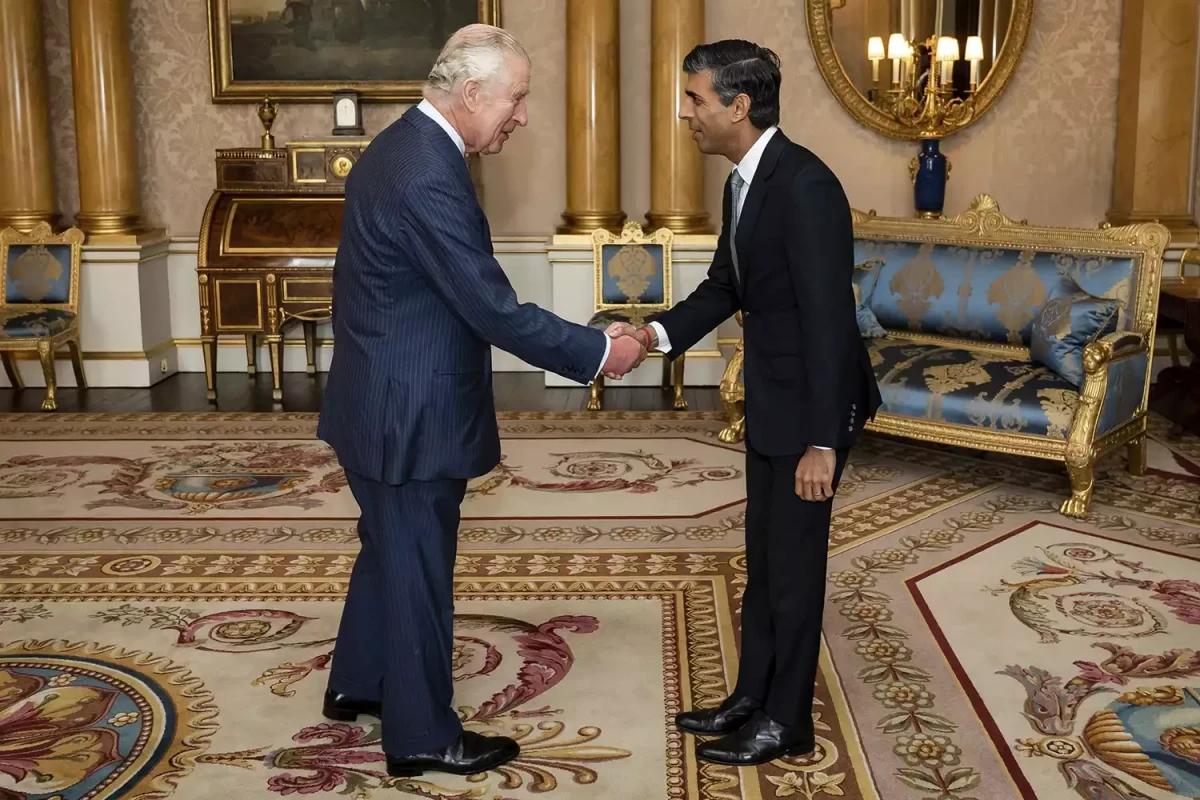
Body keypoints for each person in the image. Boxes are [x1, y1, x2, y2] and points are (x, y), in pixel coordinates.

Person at [317, 24, 646, 779]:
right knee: (416, 569)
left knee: (388, 547)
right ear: (471, 94)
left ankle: (359, 682)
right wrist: (600, 351)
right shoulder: (426, 172)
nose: (522, 115)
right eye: (516, 98)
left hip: (378, 396)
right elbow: (491, 308)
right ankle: (422, 737)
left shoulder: (401, 146)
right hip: (409, 410)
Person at [610, 39, 882, 766]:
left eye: (694, 98)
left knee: (794, 573)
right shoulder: (743, 182)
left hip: (809, 414)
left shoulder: (806, 185)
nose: (685, 113)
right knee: (765, 562)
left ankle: (786, 721)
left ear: (738, 106)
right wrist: (654, 333)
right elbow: (726, 287)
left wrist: (824, 441)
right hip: (773, 400)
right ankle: (752, 697)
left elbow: (829, 320)